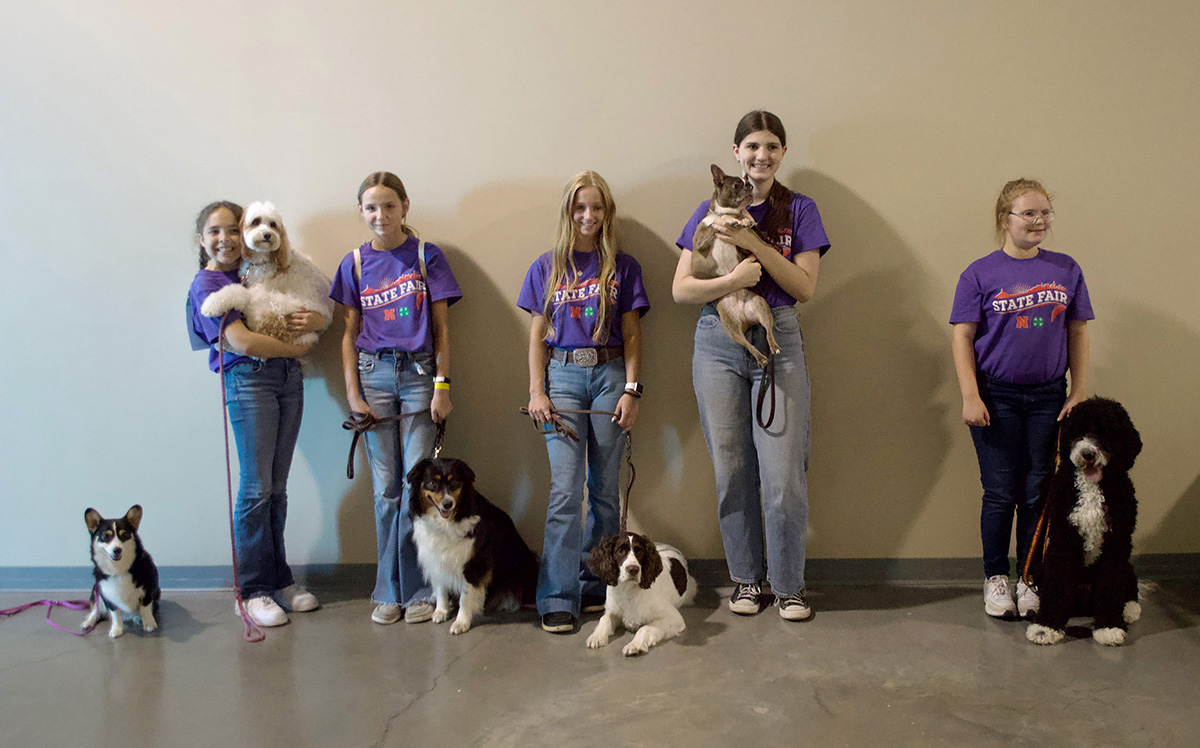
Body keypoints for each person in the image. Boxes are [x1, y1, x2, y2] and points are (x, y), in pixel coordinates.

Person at [671, 110, 831, 621]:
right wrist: (733, 280)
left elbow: (803, 288)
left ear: (783, 154)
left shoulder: (799, 210)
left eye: (772, 147)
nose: (762, 156)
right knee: (732, 470)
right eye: (752, 147)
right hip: (716, 336)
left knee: (783, 475)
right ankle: (746, 580)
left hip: (777, 331)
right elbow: (681, 288)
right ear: (736, 154)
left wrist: (753, 243)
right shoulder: (707, 209)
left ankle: (789, 586)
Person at [951, 178, 1092, 619]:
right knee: (999, 492)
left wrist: (1079, 390)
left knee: (1038, 492)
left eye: (1045, 212)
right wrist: (970, 394)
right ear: (1004, 219)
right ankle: (996, 578)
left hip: (1049, 398)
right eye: (1029, 213)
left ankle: (1030, 577)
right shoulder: (979, 273)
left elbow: (1077, 330)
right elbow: (963, 336)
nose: (1039, 221)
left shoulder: (1066, 268)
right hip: (997, 397)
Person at [329, 172, 462, 625]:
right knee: (386, 491)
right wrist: (353, 393)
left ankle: (422, 589)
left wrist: (443, 384)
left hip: (421, 375)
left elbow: (443, 329)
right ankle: (389, 590)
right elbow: (347, 334)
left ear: (405, 206)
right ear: (362, 211)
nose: (380, 215)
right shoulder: (354, 263)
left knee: (420, 487)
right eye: (371, 207)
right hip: (374, 376)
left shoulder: (427, 257)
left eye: (388, 205)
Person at [519, 171, 649, 633]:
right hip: (564, 376)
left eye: (596, 207)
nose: (588, 216)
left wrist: (633, 389)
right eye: (579, 208)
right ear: (568, 211)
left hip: (611, 374)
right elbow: (537, 333)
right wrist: (538, 391)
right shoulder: (546, 266)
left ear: (606, 212)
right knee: (564, 492)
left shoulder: (624, 266)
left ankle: (600, 586)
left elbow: (633, 332)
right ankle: (557, 594)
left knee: (605, 494)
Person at [187, 200, 323, 627]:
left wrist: (313, 322)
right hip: (249, 382)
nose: (225, 239)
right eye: (215, 232)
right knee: (255, 489)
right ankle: (251, 590)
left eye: (232, 229)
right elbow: (243, 343)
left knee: (277, 489)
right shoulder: (208, 284)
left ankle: (279, 578)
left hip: (287, 381)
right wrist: (298, 350)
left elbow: (316, 310)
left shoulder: (260, 273)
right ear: (202, 239)